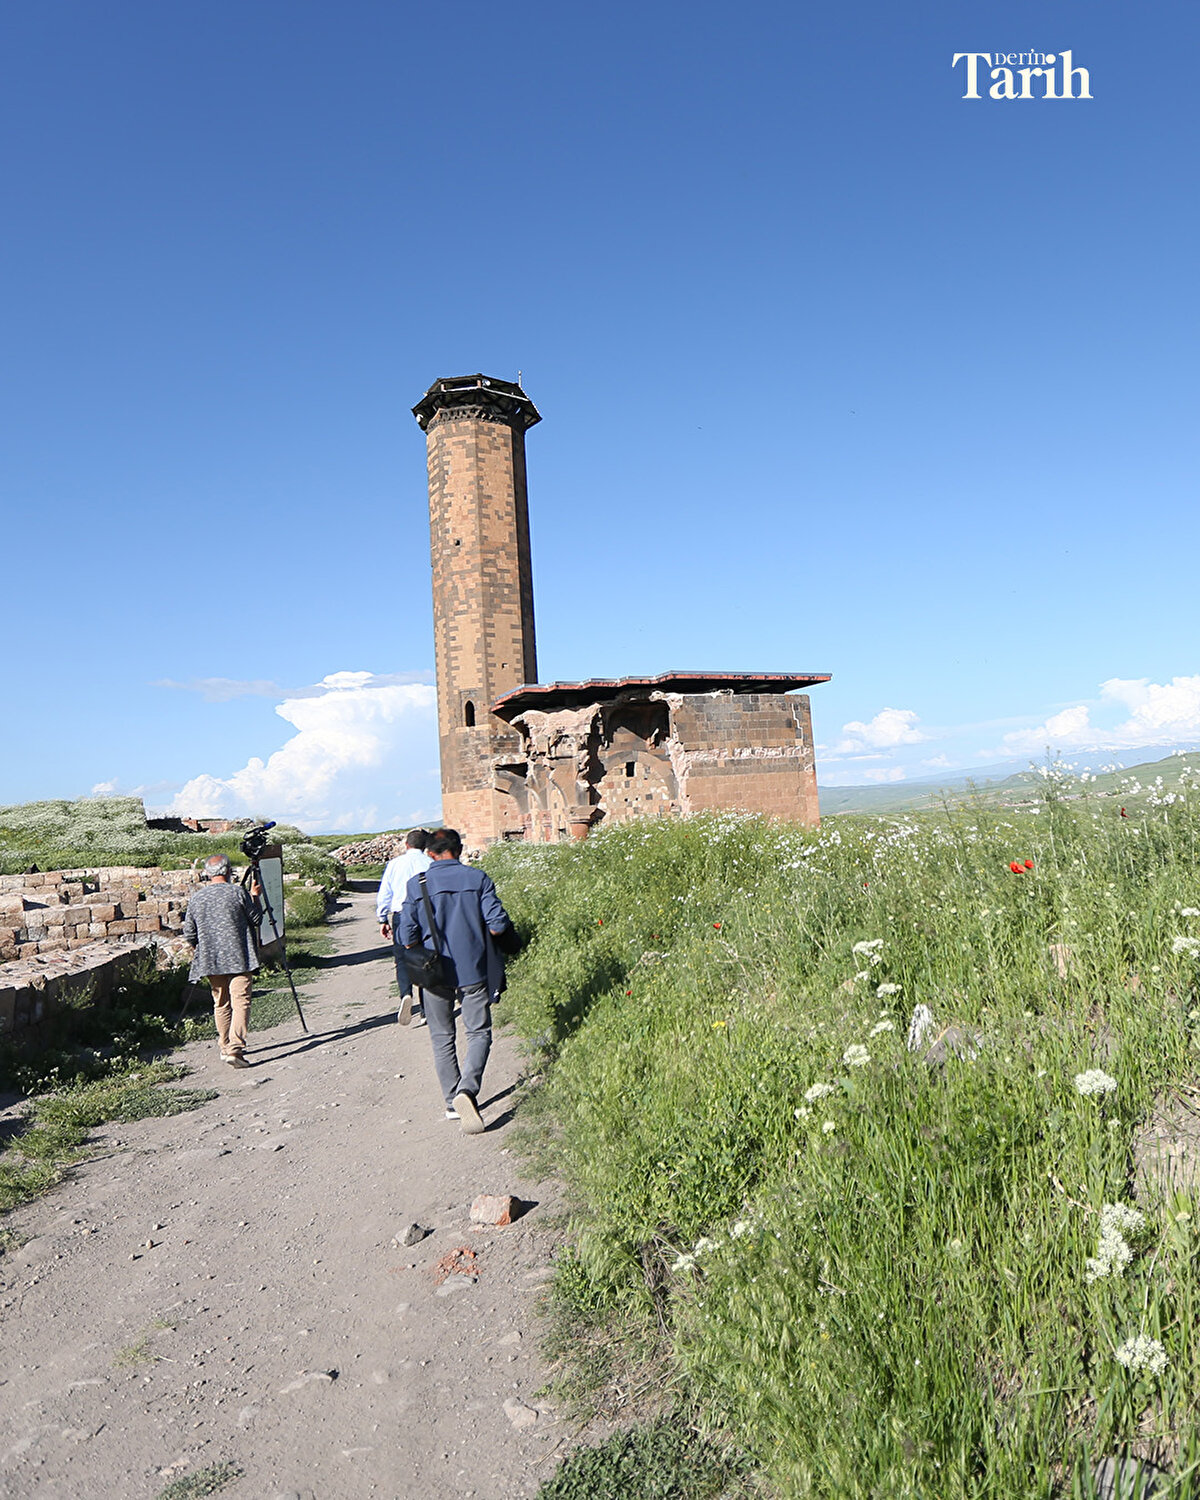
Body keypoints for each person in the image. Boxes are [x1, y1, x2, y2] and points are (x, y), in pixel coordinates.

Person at [397, 827, 514, 1134]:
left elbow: (407, 936)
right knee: (479, 1032)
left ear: (430, 854)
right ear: (459, 850)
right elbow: (498, 925)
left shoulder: (417, 884)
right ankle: (468, 1090)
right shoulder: (478, 879)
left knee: (441, 1037)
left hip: (434, 973)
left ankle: (452, 1102)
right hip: (474, 969)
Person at [182, 854, 262, 1068]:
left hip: (211, 958)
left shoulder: (197, 898)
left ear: (207, 873)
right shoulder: (238, 893)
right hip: (239, 956)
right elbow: (257, 920)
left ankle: (224, 1045)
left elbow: (189, 933)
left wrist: (202, 946)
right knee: (241, 1001)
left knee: (221, 1002)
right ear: (228, 871)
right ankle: (235, 1048)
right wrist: (255, 896)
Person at [377, 828, 433, 1026]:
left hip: (401, 915)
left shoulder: (395, 864)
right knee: (426, 958)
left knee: (401, 958)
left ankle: (405, 993)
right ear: (425, 846)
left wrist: (382, 918)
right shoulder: (430, 863)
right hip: (426, 915)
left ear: (407, 845)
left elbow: (385, 893)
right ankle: (426, 1010)